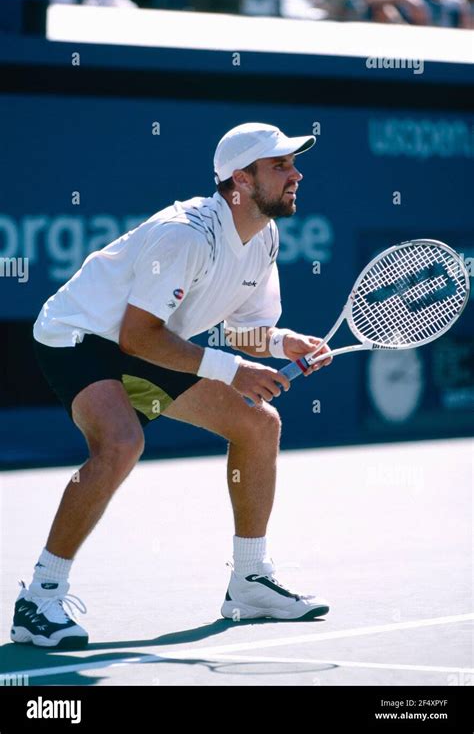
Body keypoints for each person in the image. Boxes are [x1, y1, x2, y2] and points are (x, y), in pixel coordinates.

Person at [11, 123, 332, 650]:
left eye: (293, 164)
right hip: (79, 334)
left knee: (258, 424)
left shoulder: (264, 237)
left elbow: (241, 332)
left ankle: (249, 582)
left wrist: (282, 344)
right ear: (241, 180)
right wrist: (232, 370)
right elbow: (138, 337)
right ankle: (39, 598)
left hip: (154, 338)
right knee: (121, 442)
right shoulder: (185, 235)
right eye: (280, 165)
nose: (296, 173)